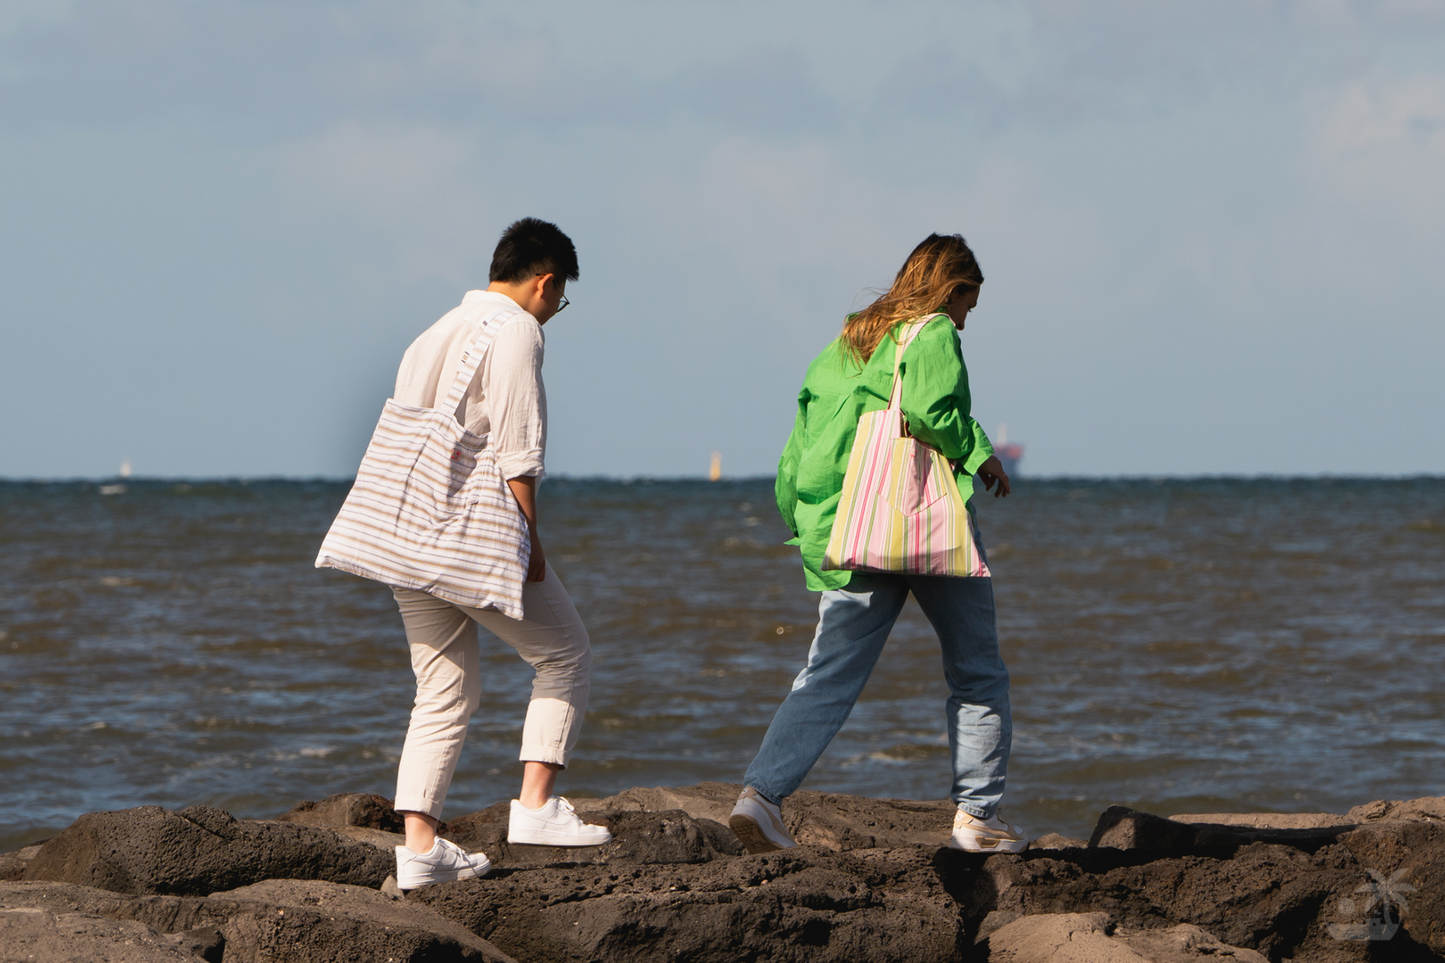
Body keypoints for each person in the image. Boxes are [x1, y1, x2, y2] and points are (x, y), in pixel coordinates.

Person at [728, 233, 1026, 855]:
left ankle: (760, 797)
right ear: (952, 289)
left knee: (827, 673)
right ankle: (978, 817)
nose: (967, 321)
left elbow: (799, 442)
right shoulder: (934, 331)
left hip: (856, 526)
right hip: (925, 525)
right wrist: (981, 454)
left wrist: (809, 521)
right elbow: (928, 412)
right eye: (968, 304)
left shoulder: (850, 341)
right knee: (977, 672)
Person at [386, 218, 609, 890]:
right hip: (467, 532)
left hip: (406, 531)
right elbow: (517, 446)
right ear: (544, 281)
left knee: (443, 688)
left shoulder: (430, 334)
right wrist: (528, 537)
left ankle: (420, 848)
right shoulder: (515, 329)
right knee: (565, 652)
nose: (553, 310)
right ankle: (536, 807)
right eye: (558, 297)